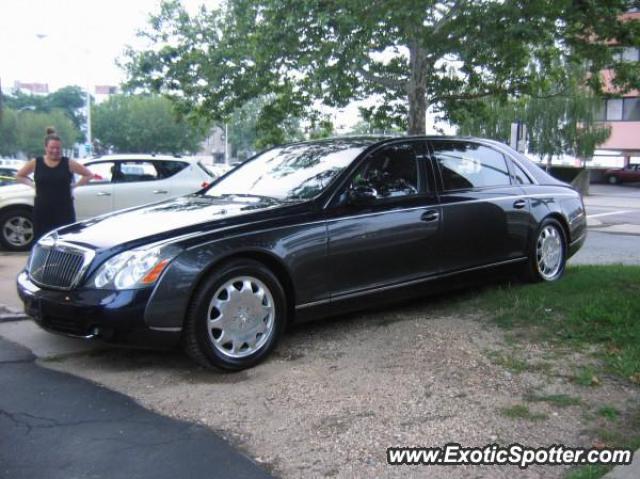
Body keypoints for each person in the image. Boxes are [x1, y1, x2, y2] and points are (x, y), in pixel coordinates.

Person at [15, 127, 93, 241]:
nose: (55, 151)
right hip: (42, 210)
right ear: (46, 148)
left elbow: (88, 175)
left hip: (64, 211)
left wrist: (74, 186)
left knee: (65, 242)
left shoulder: (68, 163)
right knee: (42, 241)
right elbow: (19, 176)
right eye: (52, 148)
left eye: (58, 148)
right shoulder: (36, 163)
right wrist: (32, 185)